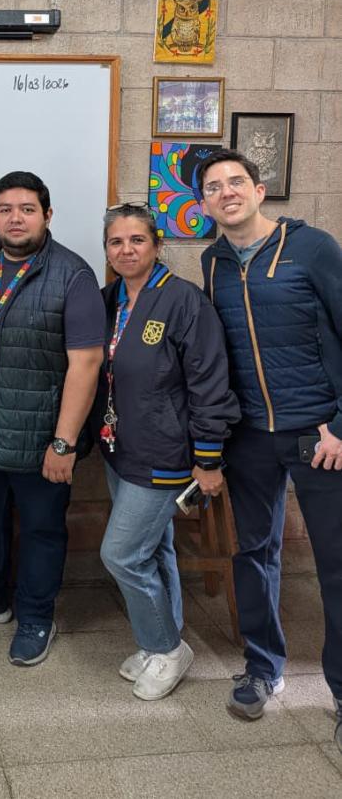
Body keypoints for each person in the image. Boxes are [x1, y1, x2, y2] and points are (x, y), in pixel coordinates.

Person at [199, 149, 342, 749]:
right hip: (250, 437)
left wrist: (341, 424)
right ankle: (263, 668)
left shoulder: (313, 248)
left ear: (260, 191)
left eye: (236, 182)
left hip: (320, 436)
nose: (226, 192)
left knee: (336, 564)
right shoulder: (212, 262)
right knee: (253, 554)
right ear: (204, 204)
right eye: (213, 187)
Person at [0, 171, 104, 666]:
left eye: (27, 209)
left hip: (39, 442)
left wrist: (64, 443)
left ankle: (35, 617)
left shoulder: (73, 275)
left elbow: (87, 364)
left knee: (42, 531)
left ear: (47, 216)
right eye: (5, 209)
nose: (15, 218)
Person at [96, 203, 239, 699]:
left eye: (137, 240)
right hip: (120, 450)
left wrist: (208, 458)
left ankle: (167, 648)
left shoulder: (184, 301)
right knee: (154, 549)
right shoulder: (110, 299)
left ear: (157, 245)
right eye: (116, 242)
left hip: (166, 453)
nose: (126, 250)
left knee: (121, 555)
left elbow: (210, 382)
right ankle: (159, 641)